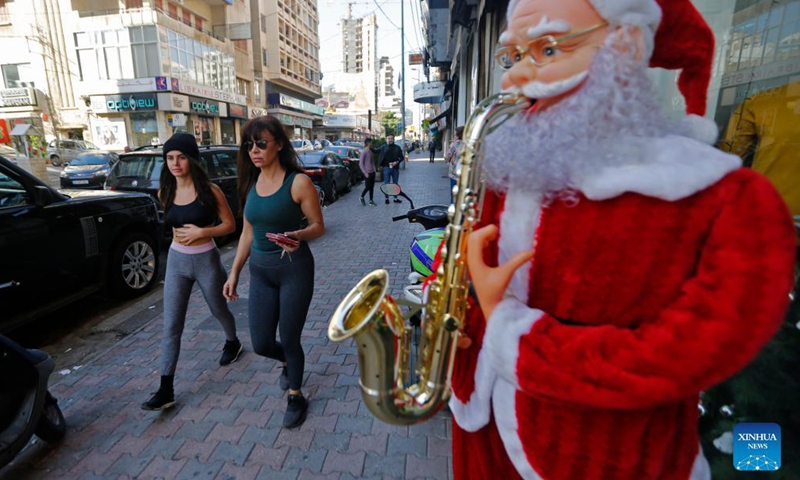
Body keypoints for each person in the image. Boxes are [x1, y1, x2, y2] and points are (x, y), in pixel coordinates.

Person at [442, 0, 797, 479]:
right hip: (479, 434)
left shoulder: (726, 200)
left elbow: (683, 354)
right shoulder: (514, 170)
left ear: (626, 45)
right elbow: (468, 263)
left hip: (596, 457)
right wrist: (455, 314)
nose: (515, 78)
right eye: (512, 57)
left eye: (548, 48)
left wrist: (514, 335)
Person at [223, 116, 324, 429]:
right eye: (249, 145)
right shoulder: (252, 183)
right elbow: (247, 232)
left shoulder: (298, 182)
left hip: (294, 270)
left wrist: (297, 235)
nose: (254, 150)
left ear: (279, 144)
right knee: (262, 343)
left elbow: (318, 227)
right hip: (261, 272)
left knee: (290, 339)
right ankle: (288, 363)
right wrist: (234, 272)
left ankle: (296, 395)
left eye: (261, 143)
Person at [142, 133, 242, 411]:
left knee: (219, 311)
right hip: (176, 262)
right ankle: (166, 388)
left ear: (192, 160)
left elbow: (230, 225)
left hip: (206, 260)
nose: (175, 163)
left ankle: (232, 342)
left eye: (182, 157)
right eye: (170, 157)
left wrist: (202, 231)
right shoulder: (165, 191)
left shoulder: (211, 191)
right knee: (171, 325)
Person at [379, 134, 404, 204]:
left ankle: (395, 199)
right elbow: (376, 150)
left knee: (395, 184)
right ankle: (386, 198)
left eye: (391, 138)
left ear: (393, 139)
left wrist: (397, 162)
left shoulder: (397, 148)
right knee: (386, 184)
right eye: (389, 138)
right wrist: (369, 148)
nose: (390, 140)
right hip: (386, 167)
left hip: (395, 168)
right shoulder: (384, 147)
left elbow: (402, 157)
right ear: (387, 139)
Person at [446, 127, 465, 203]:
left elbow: (448, 155)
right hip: (464, 173)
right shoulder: (468, 144)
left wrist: (452, 143)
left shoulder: (456, 144)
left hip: (454, 173)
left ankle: (453, 211)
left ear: (458, 135)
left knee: (453, 194)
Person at [359, 138, 377, 206]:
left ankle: (371, 200)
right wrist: (365, 173)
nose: (372, 144)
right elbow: (361, 164)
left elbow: (372, 162)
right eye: (371, 143)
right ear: (368, 143)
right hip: (367, 173)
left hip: (372, 172)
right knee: (368, 187)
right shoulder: (364, 152)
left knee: (372, 187)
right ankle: (361, 197)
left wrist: (374, 169)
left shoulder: (370, 151)